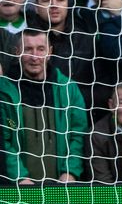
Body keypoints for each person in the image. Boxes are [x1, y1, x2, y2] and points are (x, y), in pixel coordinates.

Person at [1, 28, 87, 182]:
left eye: (41, 49)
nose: (35, 56)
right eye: (28, 49)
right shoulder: (4, 91)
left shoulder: (68, 88)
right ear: (16, 52)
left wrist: (70, 172)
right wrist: (20, 177)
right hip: (19, 188)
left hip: (62, 186)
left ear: (50, 52)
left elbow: (78, 135)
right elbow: (4, 142)